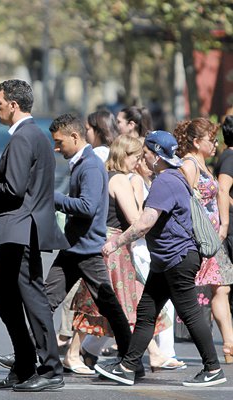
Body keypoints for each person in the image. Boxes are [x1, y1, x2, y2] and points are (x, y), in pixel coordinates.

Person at [96, 130, 227, 387]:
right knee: (146, 311)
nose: (142, 158)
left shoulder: (165, 181)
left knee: (189, 312)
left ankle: (213, 368)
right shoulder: (173, 177)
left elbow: (145, 223)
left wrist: (115, 242)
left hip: (177, 258)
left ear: (156, 155)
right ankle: (128, 366)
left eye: (145, 153)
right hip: (167, 259)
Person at [0, 80, 69, 392]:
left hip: (22, 229)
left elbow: (13, 190)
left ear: (13, 104)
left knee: (32, 296)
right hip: (20, 228)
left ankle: (50, 368)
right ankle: (26, 364)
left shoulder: (25, 137)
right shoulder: (29, 135)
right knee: (2, 292)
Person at [65, 135, 182, 373]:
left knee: (117, 302)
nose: (138, 163)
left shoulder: (106, 176)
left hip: (110, 244)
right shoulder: (119, 180)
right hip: (115, 247)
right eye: (135, 158)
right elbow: (135, 219)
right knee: (115, 302)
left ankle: (86, 353)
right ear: (124, 155)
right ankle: (73, 353)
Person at [45, 113, 133, 371]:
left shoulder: (91, 165)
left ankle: (130, 359)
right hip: (73, 247)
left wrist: (53, 197)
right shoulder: (81, 163)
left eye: (60, 142)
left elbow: (87, 206)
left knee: (109, 306)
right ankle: (27, 356)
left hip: (88, 249)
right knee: (45, 299)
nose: (56, 147)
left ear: (75, 136)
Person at [174, 118, 233, 363]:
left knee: (222, 287)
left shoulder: (203, 163)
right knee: (178, 294)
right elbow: (183, 200)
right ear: (197, 142)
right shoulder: (188, 165)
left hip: (211, 237)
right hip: (198, 237)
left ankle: (229, 345)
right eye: (211, 139)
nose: (215, 144)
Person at [215, 115, 233, 329]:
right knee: (223, 287)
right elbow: (222, 189)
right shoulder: (230, 157)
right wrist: (225, 224)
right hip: (230, 230)